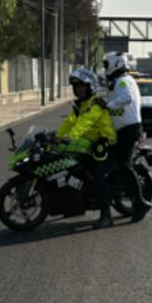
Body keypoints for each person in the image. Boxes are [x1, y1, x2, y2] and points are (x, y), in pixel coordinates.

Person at [56, 68, 117, 229]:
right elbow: (69, 122)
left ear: (90, 86)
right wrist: (56, 137)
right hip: (90, 143)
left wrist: (71, 136)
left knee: (98, 175)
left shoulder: (95, 102)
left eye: (82, 86)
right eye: (76, 87)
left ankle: (106, 216)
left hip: (104, 142)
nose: (79, 90)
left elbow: (86, 122)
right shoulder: (80, 104)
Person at [103, 52, 151, 223]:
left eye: (106, 64)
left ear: (116, 64)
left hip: (128, 130)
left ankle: (140, 202)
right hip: (120, 129)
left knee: (125, 165)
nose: (105, 67)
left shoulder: (123, 81)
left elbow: (126, 98)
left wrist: (107, 105)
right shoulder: (117, 81)